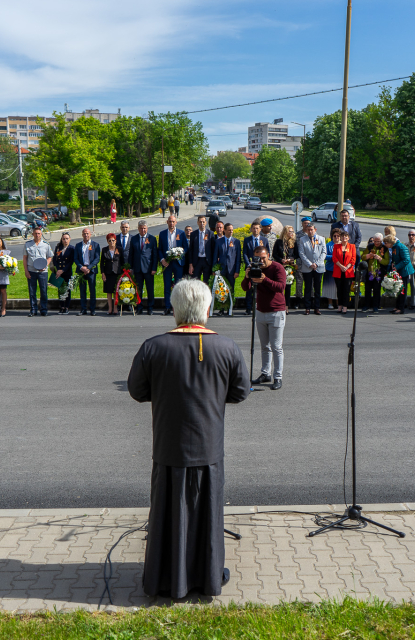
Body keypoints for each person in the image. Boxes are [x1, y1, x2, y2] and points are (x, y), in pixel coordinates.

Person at [128, 278, 250, 600]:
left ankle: (165, 576)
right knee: (207, 515)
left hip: (169, 445)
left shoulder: (154, 346)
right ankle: (207, 576)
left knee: (168, 512)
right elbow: (240, 392)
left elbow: (137, 391)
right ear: (207, 310)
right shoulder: (226, 347)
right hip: (208, 445)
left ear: (175, 310)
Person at [240, 245, 287, 389]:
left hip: (276, 311)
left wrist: (264, 279)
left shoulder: (277, 268)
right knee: (264, 346)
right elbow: (245, 288)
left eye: (263, 258)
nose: (260, 261)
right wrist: (247, 276)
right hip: (260, 311)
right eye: (257, 258)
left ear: (268, 255)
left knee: (276, 346)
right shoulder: (254, 268)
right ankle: (265, 373)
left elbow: (281, 287)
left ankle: (277, 377)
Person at [159, 215, 188, 316]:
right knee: (167, 286)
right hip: (167, 263)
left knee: (178, 286)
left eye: (173, 222)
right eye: (170, 221)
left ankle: (178, 308)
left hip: (178, 263)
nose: (171, 223)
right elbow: (159, 249)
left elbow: (186, 247)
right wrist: (162, 260)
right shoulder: (162, 234)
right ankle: (167, 307)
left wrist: (181, 253)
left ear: (176, 222)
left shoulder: (181, 233)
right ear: (167, 222)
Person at [24, 226, 53, 317]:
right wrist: (26, 271)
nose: (37, 235)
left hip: (42, 272)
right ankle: (33, 309)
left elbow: (49, 257)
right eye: (35, 233)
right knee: (32, 291)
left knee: (43, 291)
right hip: (31, 271)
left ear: (41, 234)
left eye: (39, 233)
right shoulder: (27, 244)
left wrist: (45, 265)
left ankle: (43, 309)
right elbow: (25, 258)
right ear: (32, 234)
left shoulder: (46, 244)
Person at [298, 223, 326, 315]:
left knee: (317, 288)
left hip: (319, 267)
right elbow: (301, 253)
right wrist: (310, 264)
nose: (310, 231)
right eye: (308, 230)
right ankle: (307, 307)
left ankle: (317, 307)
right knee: (308, 288)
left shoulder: (321, 239)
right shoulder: (302, 239)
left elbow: (324, 252)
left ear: (315, 229)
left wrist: (316, 264)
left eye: (311, 229)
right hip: (307, 267)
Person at [130, 221, 158, 315]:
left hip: (149, 268)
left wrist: (154, 268)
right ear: (138, 228)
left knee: (150, 289)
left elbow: (155, 255)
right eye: (141, 228)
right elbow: (131, 254)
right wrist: (131, 267)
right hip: (137, 268)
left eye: (144, 228)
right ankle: (139, 307)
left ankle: (150, 308)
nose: (143, 230)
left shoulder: (152, 239)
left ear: (147, 228)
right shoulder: (134, 239)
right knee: (138, 289)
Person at [242, 222, 270, 314]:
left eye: (257, 228)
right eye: (253, 228)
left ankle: (260, 307)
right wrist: (248, 264)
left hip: (262, 267)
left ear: (260, 229)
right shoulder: (247, 240)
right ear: (251, 229)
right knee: (249, 288)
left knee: (261, 287)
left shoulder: (264, 240)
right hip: (251, 267)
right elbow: (245, 253)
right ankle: (249, 308)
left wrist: (264, 264)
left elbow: (267, 253)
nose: (255, 230)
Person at [213, 223, 241, 314]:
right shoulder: (218, 241)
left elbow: (238, 258)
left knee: (231, 289)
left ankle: (230, 308)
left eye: (232, 230)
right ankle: (221, 309)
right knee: (221, 289)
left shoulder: (236, 242)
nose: (231, 231)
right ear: (224, 230)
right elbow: (215, 256)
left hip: (232, 270)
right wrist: (214, 269)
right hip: (221, 270)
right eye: (229, 230)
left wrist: (237, 271)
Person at [73, 228, 101, 316]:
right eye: (84, 233)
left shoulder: (95, 245)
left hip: (91, 271)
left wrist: (88, 268)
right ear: (82, 235)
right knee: (82, 290)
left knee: (92, 290)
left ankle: (92, 310)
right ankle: (83, 309)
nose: (86, 235)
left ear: (90, 234)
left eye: (87, 233)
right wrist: (82, 267)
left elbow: (97, 259)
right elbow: (75, 258)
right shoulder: (78, 245)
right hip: (81, 271)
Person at [360, 233, 389, 313]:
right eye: (375, 241)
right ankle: (366, 305)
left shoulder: (384, 248)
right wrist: (368, 256)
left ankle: (376, 306)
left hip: (379, 273)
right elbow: (362, 256)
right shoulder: (370, 246)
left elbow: (387, 262)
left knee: (377, 290)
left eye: (378, 241)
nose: (376, 243)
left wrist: (379, 258)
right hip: (369, 272)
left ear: (381, 241)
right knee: (367, 289)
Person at [272, 226, 300, 310]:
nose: (292, 233)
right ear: (285, 232)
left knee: (288, 287)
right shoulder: (278, 242)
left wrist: (290, 259)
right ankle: (278, 304)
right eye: (290, 231)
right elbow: (274, 254)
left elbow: (297, 255)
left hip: (289, 266)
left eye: (292, 231)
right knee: (279, 286)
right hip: (280, 266)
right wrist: (281, 259)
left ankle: (286, 306)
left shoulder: (293, 242)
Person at [331, 230, 358, 314]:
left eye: (346, 236)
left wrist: (346, 267)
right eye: (342, 236)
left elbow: (353, 259)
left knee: (346, 289)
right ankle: (340, 306)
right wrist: (341, 266)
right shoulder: (336, 246)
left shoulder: (352, 246)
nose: (344, 238)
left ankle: (345, 307)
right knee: (339, 289)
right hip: (338, 270)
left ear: (348, 238)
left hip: (348, 271)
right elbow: (334, 258)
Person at [52, 232, 76, 315]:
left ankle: (66, 307)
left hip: (67, 272)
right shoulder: (58, 247)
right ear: (61, 240)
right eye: (63, 239)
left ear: (69, 239)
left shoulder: (72, 248)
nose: (65, 240)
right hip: (58, 272)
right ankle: (61, 306)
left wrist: (63, 270)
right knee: (60, 289)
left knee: (67, 290)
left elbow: (71, 262)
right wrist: (58, 269)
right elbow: (54, 259)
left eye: (67, 238)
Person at [100, 232, 123, 316]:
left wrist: (123, 273)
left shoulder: (119, 249)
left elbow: (122, 261)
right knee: (109, 291)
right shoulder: (104, 250)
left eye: (113, 240)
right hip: (108, 273)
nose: (111, 242)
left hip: (117, 273)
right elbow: (102, 263)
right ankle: (110, 308)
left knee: (116, 291)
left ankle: (115, 308)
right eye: (109, 241)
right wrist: (103, 273)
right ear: (107, 241)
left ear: (116, 241)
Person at [187, 215, 215, 283]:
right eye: (200, 222)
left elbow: (213, 249)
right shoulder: (193, 234)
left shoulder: (211, 234)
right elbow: (190, 250)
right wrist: (190, 264)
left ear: (206, 223)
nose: (202, 224)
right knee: (196, 282)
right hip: (197, 261)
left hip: (207, 261)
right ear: (197, 223)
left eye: (203, 222)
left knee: (207, 282)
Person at [322, 228, 340, 310]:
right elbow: (324, 256)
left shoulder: (343, 245)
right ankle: (330, 303)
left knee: (338, 287)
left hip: (340, 269)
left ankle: (338, 303)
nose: (336, 237)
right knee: (330, 287)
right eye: (334, 236)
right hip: (330, 269)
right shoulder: (328, 245)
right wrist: (334, 257)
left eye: (338, 236)